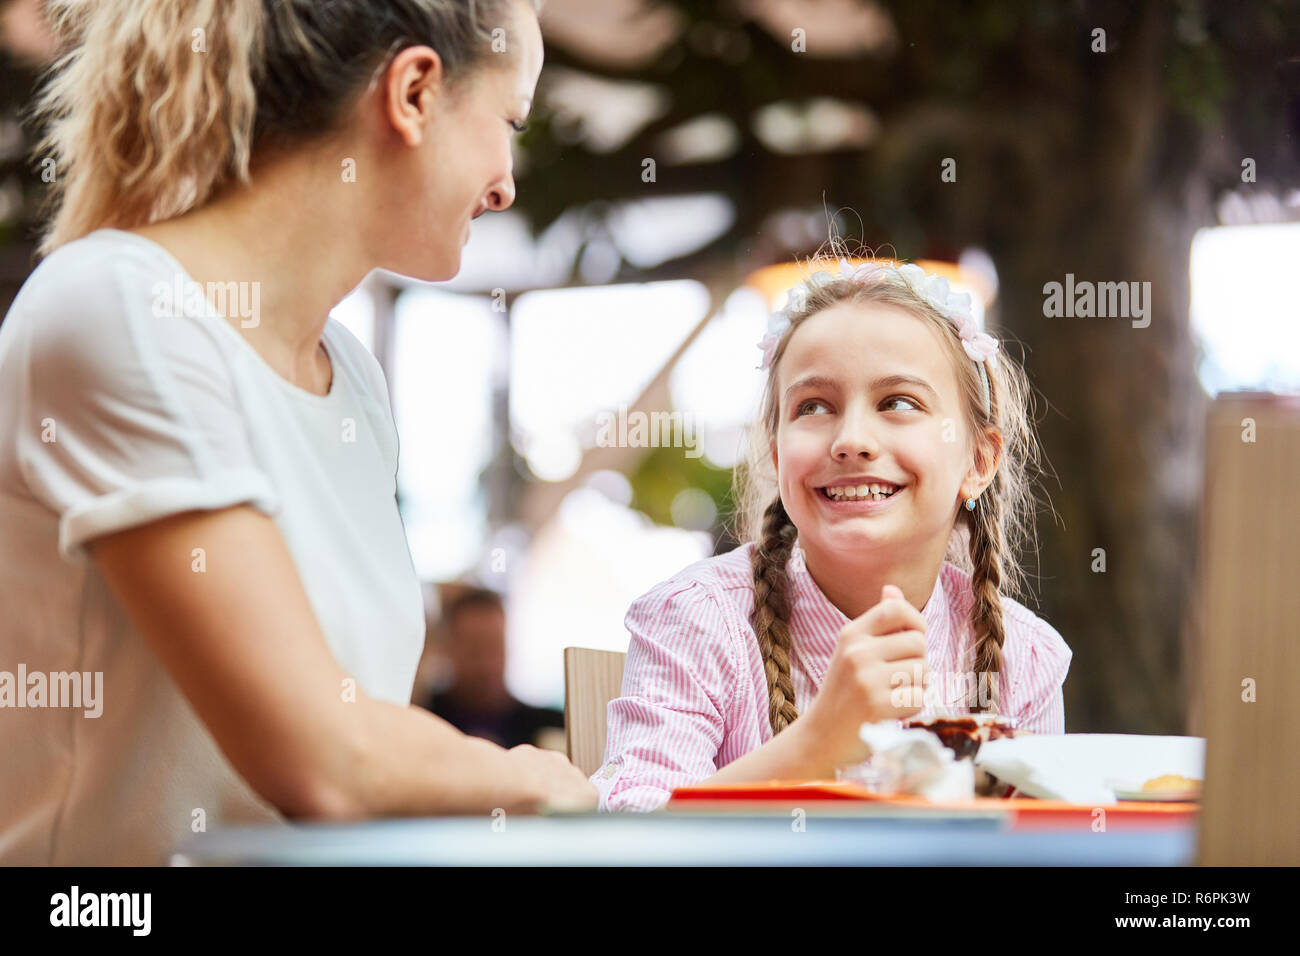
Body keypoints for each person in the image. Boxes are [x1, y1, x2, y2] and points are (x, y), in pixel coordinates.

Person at [0, 0, 595, 866]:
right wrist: (546, 780)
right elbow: (328, 760)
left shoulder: (352, 377)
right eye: (509, 121)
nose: (507, 182)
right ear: (415, 93)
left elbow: (372, 751)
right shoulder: (121, 307)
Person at [592, 252, 1072, 811]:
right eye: (814, 406)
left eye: (898, 402)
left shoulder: (1025, 658)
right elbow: (628, 845)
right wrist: (816, 742)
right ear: (776, 454)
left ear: (979, 460)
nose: (851, 439)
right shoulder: (696, 621)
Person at [419, 588, 565, 749]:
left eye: (494, 647)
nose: (486, 663)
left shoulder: (551, 728)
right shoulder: (423, 720)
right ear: (448, 648)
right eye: (474, 649)